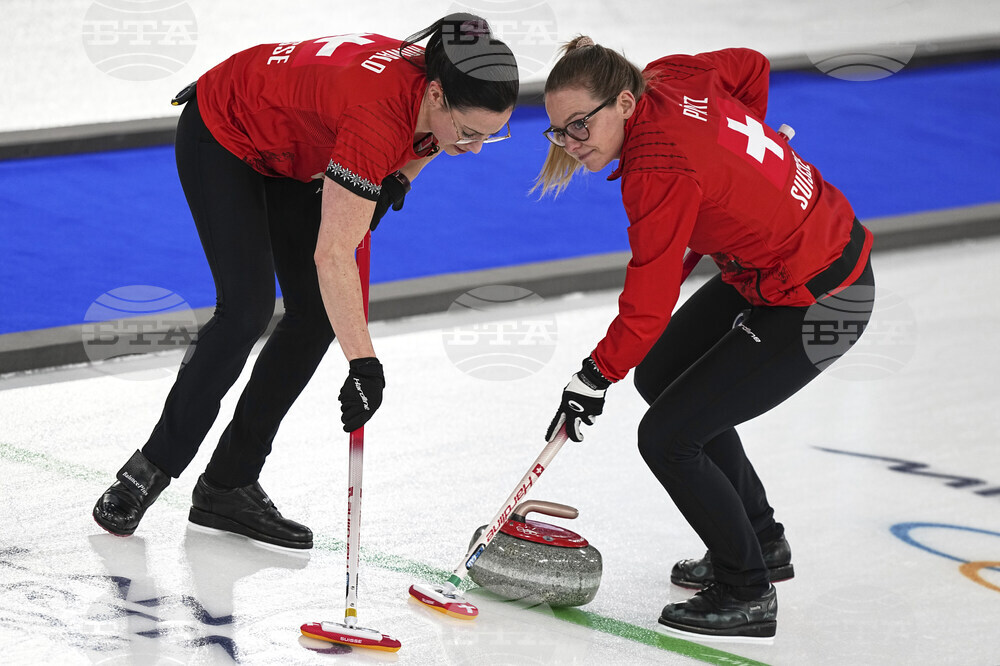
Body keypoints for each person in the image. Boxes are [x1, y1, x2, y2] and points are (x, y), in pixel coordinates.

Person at [93, 14, 519, 551]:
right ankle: (147, 470)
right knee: (246, 309)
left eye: (492, 135)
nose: (476, 147)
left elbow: (425, 141)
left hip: (294, 149)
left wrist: (397, 181)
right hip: (225, 129)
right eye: (470, 132)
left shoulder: (438, 92)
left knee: (316, 316)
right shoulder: (377, 117)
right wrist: (363, 363)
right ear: (435, 93)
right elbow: (333, 256)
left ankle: (228, 483)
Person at [537, 37, 873, 638]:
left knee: (667, 438)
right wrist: (746, 162)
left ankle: (747, 590)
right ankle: (762, 541)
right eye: (558, 130)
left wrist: (592, 376)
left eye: (580, 125)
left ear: (624, 102)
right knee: (661, 375)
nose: (570, 143)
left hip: (826, 298)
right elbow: (751, 65)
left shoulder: (656, 170)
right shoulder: (668, 76)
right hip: (778, 266)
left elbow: (647, 303)